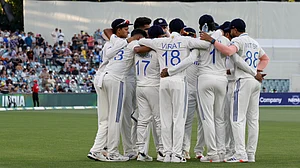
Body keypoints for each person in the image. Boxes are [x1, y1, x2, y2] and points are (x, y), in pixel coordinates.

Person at [139, 18, 217, 163]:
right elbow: (206, 45)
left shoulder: (160, 42)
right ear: (182, 30)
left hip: (163, 82)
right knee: (178, 119)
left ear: (167, 29)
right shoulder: (186, 40)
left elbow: (141, 42)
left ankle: (167, 154)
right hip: (178, 81)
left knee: (166, 119)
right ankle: (176, 154)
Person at [200, 18, 270, 163]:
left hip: (243, 80)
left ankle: (240, 153)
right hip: (255, 82)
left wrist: (212, 41)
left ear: (234, 30)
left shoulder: (238, 41)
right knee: (253, 120)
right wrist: (257, 70)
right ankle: (251, 154)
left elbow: (228, 51)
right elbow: (265, 58)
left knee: (237, 119)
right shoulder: (254, 42)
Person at [87, 18, 142, 162]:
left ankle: (96, 150)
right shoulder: (130, 43)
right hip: (116, 79)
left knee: (105, 119)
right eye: (125, 29)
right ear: (118, 30)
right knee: (115, 118)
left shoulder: (110, 42)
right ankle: (112, 152)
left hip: (102, 78)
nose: (127, 30)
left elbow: (109, 34)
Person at [134, 25, 164, 162]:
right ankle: (162, 151)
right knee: (158, 119)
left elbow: (137, 48)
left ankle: (141, 151)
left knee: (143, 120)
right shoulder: (159, 50)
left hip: (140, 86)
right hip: (153, 86)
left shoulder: (138, 49)